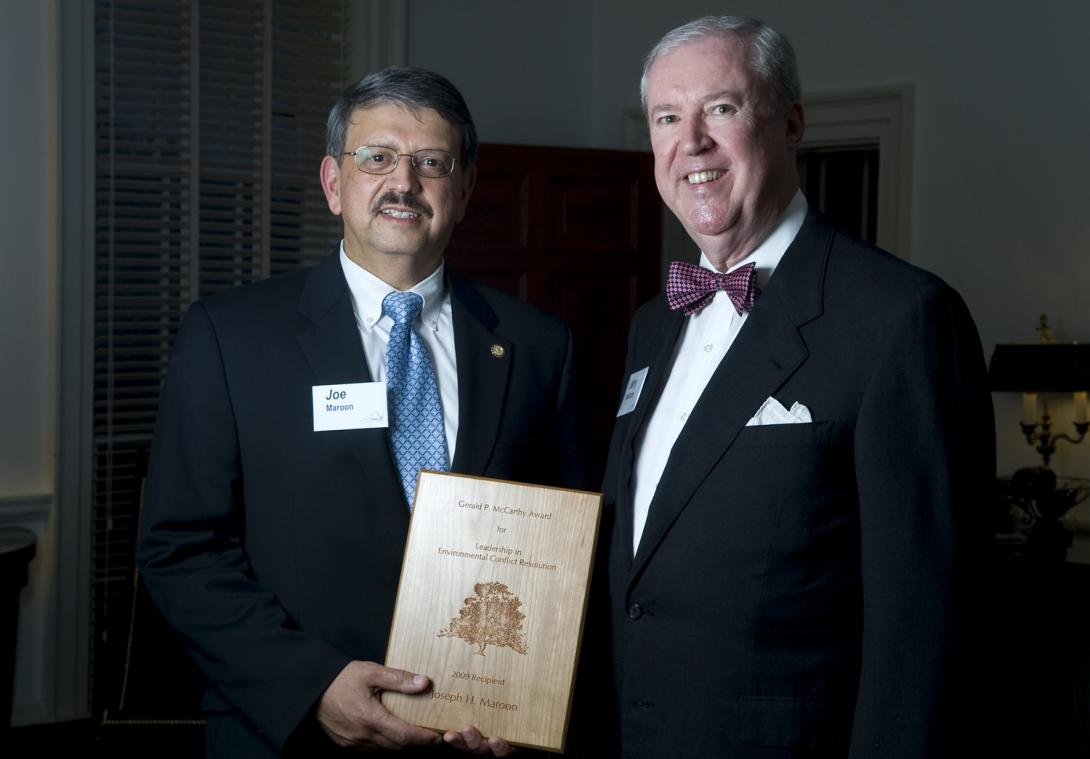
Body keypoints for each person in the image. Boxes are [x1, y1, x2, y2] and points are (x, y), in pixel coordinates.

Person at [137, 66, 584, 758]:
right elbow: (180, 548)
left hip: (478, 740)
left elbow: (564, 552)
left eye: (430, 163)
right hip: (290, 733)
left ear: (463, 190)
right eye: (375, 157)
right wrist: (313, 685)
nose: (402, 183)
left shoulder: (537, 346)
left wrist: (527, 693)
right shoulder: (230, 337)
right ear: (333, 183)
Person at [602, 16, 995, 758]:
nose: (691, 141)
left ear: (790, 123)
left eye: (720, 108)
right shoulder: (652, 325)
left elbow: (927, 628)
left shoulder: (900, 318)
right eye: (666, 117)